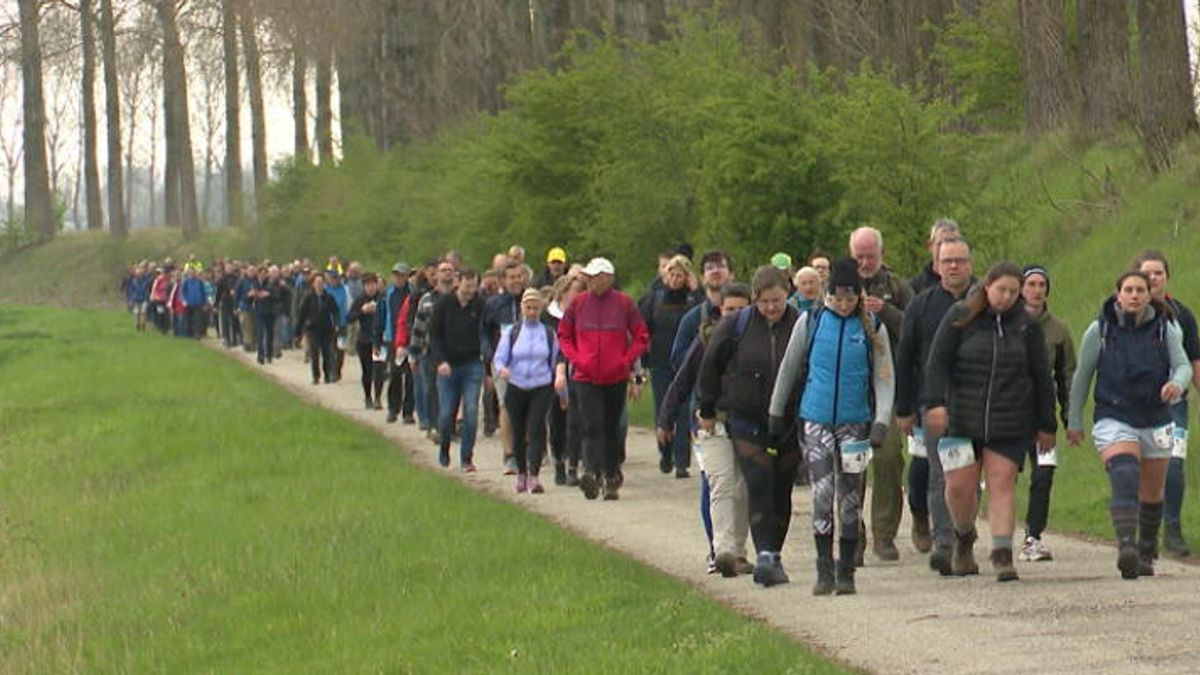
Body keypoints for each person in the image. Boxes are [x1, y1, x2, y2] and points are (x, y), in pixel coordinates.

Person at [923, 261, 1057, 582]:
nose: (1006, 297)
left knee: (1001, 482)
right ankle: (964, 536)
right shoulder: (960, 317)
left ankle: (1002, 553)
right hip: (961, 420)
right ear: (987, 287)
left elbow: (1042, 378)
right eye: (1001, 290)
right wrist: (935, 403)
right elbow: (937, 362)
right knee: (959, 488)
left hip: (1010, 421)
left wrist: (1046, 425)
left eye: (1014, 292)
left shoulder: (1027, 327)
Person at [771, 257, 895, 594]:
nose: (842, 305)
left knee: (850, 497)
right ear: (828, 295)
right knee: (823, 493)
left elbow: (885, 377)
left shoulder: (873, 326)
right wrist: (776, 410)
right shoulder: (810, 322)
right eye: (837, 298)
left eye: (849, 299)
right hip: (816, 419)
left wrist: (881, 421)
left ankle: (846, 569)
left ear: (858, 296)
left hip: (855, 424)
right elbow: (789, 367)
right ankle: (823, 568)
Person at [1067, 270, 1192, 579]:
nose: (1134, 295)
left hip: (1156, 417)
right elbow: (1082, 377)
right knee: (1125, 472)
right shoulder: (1100, 331)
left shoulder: (1166, 329)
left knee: (1152, 491)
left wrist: (1176, 384)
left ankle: (1147, 548)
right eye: (1129, 290)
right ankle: (1127, 546)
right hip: (1114, 414)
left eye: (1140, 290)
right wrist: (1074, 420)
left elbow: (1183, 365)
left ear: (1150, 295)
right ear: (1118, 294)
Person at [697, 266, 799, 587]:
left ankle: (775, 553)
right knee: (759, 483)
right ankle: (765, 555)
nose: (771, 307)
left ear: (788, 296)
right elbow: (709, 367)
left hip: (789, 419)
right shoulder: (735, 326)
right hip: (746, 417)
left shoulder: (801, 324)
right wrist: (707, 407)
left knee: (781, 488)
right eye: (765, 301)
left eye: (777, 301)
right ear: (755, 299)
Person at [657, 282, 753, 576]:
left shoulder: (759, 338)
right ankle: (722, 550)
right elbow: (683, 379)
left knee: (743, 488)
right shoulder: (706, 338)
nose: (734, 315)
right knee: (721, 483)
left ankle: (738, 550)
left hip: (749, 422)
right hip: (713, 421)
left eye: (741, 309)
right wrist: (666, 417)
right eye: (729, 310)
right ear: (719, 310)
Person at [895, 236, 975, 574]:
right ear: (937, 265)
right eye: (947, 261)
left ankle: (964, 536)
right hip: (934, 403)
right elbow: (906, 356)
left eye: (959, 260)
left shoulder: (984, 302)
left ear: (970, 264)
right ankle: (945, 542)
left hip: (977, 403)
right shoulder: (921, 305)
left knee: (968, 478)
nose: (953, 266)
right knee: (939, 475)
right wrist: (903, 407)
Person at [557, 257, 649, 500]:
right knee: (591, 425)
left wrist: (625, 360)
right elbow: (564, 336)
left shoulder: (625, 304)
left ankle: (612, 474)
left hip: (615, 376)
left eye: (594, 276)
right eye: (588, 276)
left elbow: (641, 336)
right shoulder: (577, 304)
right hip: (585, 375)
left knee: (611, 427)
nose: (589, 281)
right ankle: (592, 472)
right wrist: (577, 359)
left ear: (607, 278)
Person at [849, 227, 912, 562]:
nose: (864, 262)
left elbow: (916, 329)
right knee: (851, 464)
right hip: (851, 392)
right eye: (858, 256)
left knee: (888, 459)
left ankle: (884, 534)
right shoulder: (841, 285)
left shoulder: (898, 287)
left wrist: (884, 311)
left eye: (870, 256)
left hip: (889, 389)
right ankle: (852, 533)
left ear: (881, 254)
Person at [1135, 250, 1200, 558]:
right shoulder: (1126, 311)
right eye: (1147, 273)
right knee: (1140, 465)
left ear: (1166, 277)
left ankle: (1172, 528)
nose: (1153, 278)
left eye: (1158, 273)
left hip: (1174, 404)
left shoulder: (1182, 315)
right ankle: (1141, 527)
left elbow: (1193, 360)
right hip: (1135, 404)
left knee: (1174, 463)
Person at [1018, 266, 1077, 563]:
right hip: (1010, 415)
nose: (1037, 290)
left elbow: (1067, 377)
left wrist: (1070, 418)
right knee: (1000, 476)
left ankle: (1033, 536)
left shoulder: (1058, 330)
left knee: (1044, 474)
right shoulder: (1008, 323)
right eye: (1031, 284)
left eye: (1042, 284)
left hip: (1043, 417)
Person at [640, 254, 701, 478]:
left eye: (680, 275)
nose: (675, 279)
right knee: (663, 410)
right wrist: (643, 361)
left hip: (686, 364)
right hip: (661, 363)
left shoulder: (694, 301)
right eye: (672, 274)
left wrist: (695, 290)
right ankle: (665, 452)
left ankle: (681, 461)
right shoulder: (654, 299)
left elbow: (707, 318)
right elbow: (642, 329)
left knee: (685, 412)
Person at [494, 288, 559, 494]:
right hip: (516, 384)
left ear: (541, 309)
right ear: (522, 308)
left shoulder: (548, 333)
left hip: (541, 385)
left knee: (536, 427)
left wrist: (559, 386)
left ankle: (534, 475)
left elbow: (555, 359)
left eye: (535, 308)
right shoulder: (511, 333)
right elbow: (499, 358)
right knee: (519, 430)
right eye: (528, 307)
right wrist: (503, 369)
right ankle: (521, 472)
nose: (531, 312)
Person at [430, 268, 487, 471]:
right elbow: (434, 335)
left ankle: (466, 457)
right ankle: (444, 447)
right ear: (458, 283)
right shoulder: (444, 304)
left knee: (471, 411)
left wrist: (486, 360)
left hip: (472, 364)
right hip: (448, 366)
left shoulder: (480, 304)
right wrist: (440, 361)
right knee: (446, 414)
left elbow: (486, 332)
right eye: (467, 285)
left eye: (473, 286)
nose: (470, 290)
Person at [482, 261, 529, 473]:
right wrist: (490, 357)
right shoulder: (493, 304)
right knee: (506, 405)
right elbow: (483, 332)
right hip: (502, 363)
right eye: (512, 277)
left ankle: (526, 449)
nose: (516, 281)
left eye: (519, 276)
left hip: (529, 363)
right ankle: (509, 454)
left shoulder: (531, 300)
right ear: (503, 281)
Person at [410, 260, 456, 442]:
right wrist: (413, 353)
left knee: (452, 391)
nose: (446, 274)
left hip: (454, 352)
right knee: (432, 389)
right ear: (436, 275)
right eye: (443, 270)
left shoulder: (459, 298)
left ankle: (448, 427)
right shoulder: (427, 299)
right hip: (429, 352)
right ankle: (434, 426)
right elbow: (418, 327)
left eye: (449, 270)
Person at [548, 276, 588, 486]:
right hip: (550, 374)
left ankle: (573, 464)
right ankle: (559, 462)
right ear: (563, 292)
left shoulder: (584, 316)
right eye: (575, 291)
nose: (579, 295)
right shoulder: (549, 317)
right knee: (556, 421)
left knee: (575, 420)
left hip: (576, 373)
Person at [670, 250, 734, 372]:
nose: (715, 271)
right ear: (702, 278)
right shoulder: (691, 319)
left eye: (721, 266)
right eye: (709, 268)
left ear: (731, 274)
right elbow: (678, 361)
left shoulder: (747, 312)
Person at [378, 262, 417, 423]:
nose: (398, 278)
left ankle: (408, 411)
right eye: (396, 274)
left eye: (401, 275)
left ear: (407, 276)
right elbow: (382, 315)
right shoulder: (388, 294)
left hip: (411, 339)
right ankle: (393, 408)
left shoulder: (413, 293)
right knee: (394, 374)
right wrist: (379, 336)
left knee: (410, 377)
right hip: (392, 338)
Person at [348, 272, 387, 409]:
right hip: (364, 339)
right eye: (368, 285)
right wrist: (362, 311)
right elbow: (350, 317)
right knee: (367, 371)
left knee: (379, 369)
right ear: (364, 286)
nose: (371, 288)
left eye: (373, 284)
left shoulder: (382, 298)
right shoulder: (360, 299)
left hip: (379, 340)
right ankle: (368, 396)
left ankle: (377, 398)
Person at [296, 272, 340, 385]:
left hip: (326, 329)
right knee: (314, 353)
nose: (319, 285)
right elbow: (302, 314)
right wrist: (298, 331)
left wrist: (336, 324)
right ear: (313, 284)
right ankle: (316, 376)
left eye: (321, 282)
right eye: (317, 282)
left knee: (327, 353)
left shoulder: (328, 297)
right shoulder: (308, 297)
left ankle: (327, 375)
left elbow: (335, 312)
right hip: (312, 329)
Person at [909, 218, 961, 296]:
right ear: (930, 246)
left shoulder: (971, 289)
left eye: (952, 243)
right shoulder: (913, 288)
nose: (946, 249)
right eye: (941, 244)